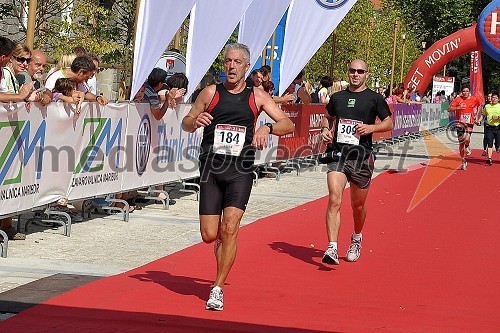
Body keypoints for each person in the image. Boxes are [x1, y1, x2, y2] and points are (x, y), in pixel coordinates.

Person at [181, 43, 294, 311]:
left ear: (246, 66)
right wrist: (194, 122)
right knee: (210, 235)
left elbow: (287, 124)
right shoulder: (210, 92)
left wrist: (267, 126)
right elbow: (186, 121)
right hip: (211, 168)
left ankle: (217, 287)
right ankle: (221, 241)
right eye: (227, 61)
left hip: (240, 170)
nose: (231, 66)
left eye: (236, 62)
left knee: (230, 227)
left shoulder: (257, 97)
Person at [319, 59, 393, 265]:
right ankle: (332, 247)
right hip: (338, 154)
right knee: (334, 198)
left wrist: (371, 129)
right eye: (352, 71)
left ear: (367, 74)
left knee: (357, 206)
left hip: (361, 157)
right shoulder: (338, 97)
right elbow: (328, 117)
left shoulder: (375, 99)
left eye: (360, 71)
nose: (355, 74)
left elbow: (389, 122)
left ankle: (357, 237)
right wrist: (325, 129)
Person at [44, 55, 109, 106]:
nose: (87, 79)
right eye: (86, 77)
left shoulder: (79, 81)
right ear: (80, 72)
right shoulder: (55, 77)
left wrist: (97, 98)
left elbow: (86, 93)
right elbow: (47, 93)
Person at [448, 85, 481, 170]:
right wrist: (458, 107)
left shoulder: (474, 99)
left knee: (466, 139)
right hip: (459, 123)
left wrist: (477, 116)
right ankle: (463, 161)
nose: (465, 93)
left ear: (469, 91)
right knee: (461, 143)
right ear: (461, 92)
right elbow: (449, 109)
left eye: (467, 91)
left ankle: (467, 145)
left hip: (469, 122)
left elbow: (479, 105)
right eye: (464, 91)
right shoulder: (458, 99)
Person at [478, 93, 500, 165]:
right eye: (492, 97)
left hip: (498, 128)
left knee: (498, 145)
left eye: (495, 98)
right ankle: (489, 158)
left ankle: (497, 146)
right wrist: (479, 120)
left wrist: (498, 118)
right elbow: (483, 114)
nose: (493, 99)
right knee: (489, 143)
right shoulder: (487, 106)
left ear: (498, 99)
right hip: (489, 128)